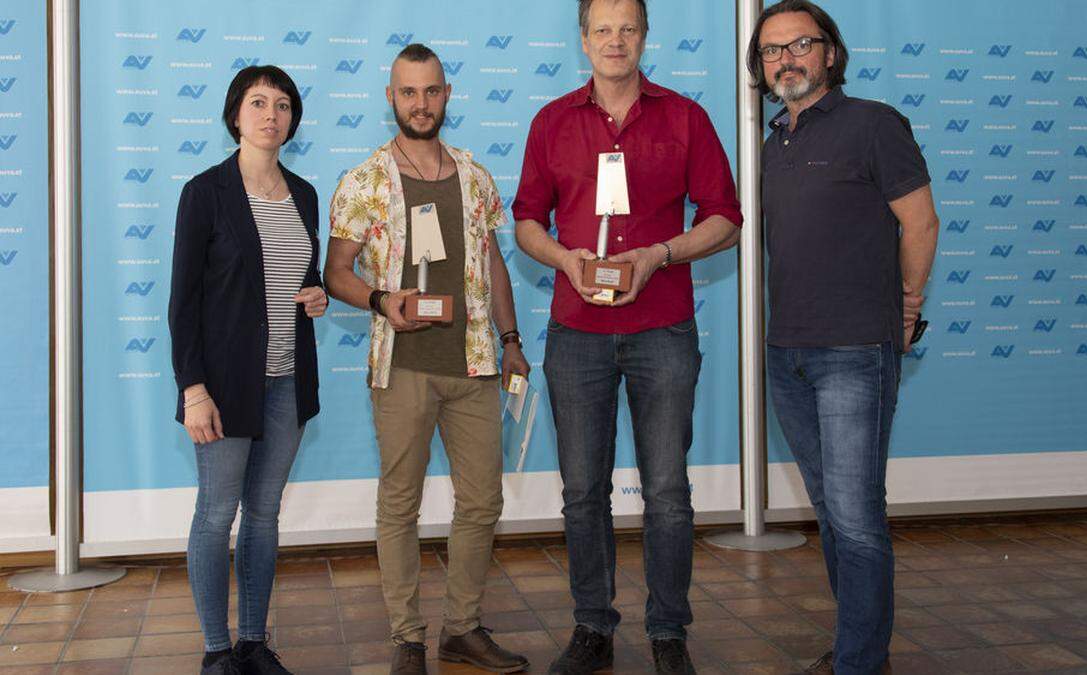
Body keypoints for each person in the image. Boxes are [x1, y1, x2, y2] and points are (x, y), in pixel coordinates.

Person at [512, 1, 742, 673]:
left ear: (646, 37)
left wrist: (659, 254)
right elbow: (527, 219)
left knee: (667, 488)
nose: (616, 41)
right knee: (583, 490)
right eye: (602, 29)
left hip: (663, 328)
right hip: (576, 332)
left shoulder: (685, 117)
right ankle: (593, 626)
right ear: (583, 40)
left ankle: (669, 630)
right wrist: (563, 259)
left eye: (628, 29)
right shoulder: (552, 122)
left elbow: (725, 216)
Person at [324, 44, 530, 675]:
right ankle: (407, 636)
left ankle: (461, 628)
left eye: (431, 91)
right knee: (400, 503)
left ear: (447, 95)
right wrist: (383, 299)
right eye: (408, 92)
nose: (420, 103)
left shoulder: (475, 175)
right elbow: (336, 272)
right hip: (403, 368)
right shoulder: (363, 180)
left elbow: (494, 262)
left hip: (475, 365)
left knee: (482, 502)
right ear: (391, 98)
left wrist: (513, 340)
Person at [747, 2, 940, 673]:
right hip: (786, 355)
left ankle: (859, 661)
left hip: (854, 351)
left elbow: (921, 223)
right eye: (771, 50)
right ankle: (862, 647)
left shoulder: (874, 125)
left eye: (800, 43)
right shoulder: (773, 142)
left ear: (831, 52)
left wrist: (906, 308)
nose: (786, 59)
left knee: (856, 520)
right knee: (833, 513)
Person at [168, 65, 327, 675]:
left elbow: (296, 281)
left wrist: (313, 294)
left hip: (288, 382)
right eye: (258, 103)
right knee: (216, 514)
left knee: (264, 514)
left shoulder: (305, 194)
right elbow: (183, 304)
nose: (271, 115)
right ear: (235, 114)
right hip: (223, 388)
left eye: (283, 105)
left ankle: (254, 643)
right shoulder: (204, 192)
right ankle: (216, 652)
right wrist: (193, 389)